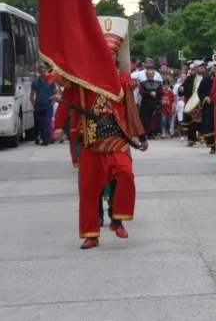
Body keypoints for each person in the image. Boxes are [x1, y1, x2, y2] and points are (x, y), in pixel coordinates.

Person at [53, 16, 148, 249]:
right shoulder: (82, 78)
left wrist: (141, 136)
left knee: (126, 173)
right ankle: (91, 233)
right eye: (105, 52)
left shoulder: (123, 80)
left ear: (116, 57)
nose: (110, 56)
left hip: (117, 136)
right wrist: (57, 125)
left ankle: (117, 220)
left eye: (113, 53)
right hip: (91, 139)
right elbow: (66, 93)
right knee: (89, 188)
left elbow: (130, 109)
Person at [30, 65, 58, 146]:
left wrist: (52, 103)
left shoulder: (51, 82)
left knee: (47, 122)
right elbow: (31, 95)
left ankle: (46, 139)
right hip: (38, 106)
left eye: (44, 71)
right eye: (41, 71)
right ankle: (44, 137)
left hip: (48, 105)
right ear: (39, 72)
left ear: (46, 72)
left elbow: (56, 93)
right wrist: (34, 105)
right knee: (41, 123)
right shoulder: (34, 82)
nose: (43, 73)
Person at [180, 59, 205, 147]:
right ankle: (191, 139)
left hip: (202, 102)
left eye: (203, 68)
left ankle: (203, 137)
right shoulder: (190, 78)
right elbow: (183, 88)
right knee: (191, 122)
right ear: (196, 69)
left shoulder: (206, 78)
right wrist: (181, 89)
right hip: (192, 102)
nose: (203, 69)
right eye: (201, 68)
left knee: (203, 121)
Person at [138, 69, 163, 138]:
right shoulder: (143, 83)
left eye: (152, 74)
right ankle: (145, 133)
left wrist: (156, 93)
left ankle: (153, 133)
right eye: (149, 74)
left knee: (154, 118)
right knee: (145, 119)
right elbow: (142, 92)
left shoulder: (158, 83)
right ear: (147, 75)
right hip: (146, 103)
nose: (151, 75)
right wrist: (150, 93)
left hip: (155, 103)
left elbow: (161, 92)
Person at [199, 61, 216, 153]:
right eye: (213, 67)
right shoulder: (205, 80)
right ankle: (212, 146)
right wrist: (205, 98)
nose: (215, 69)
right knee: (210, 125)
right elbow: (200, 92)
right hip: (209, 107)